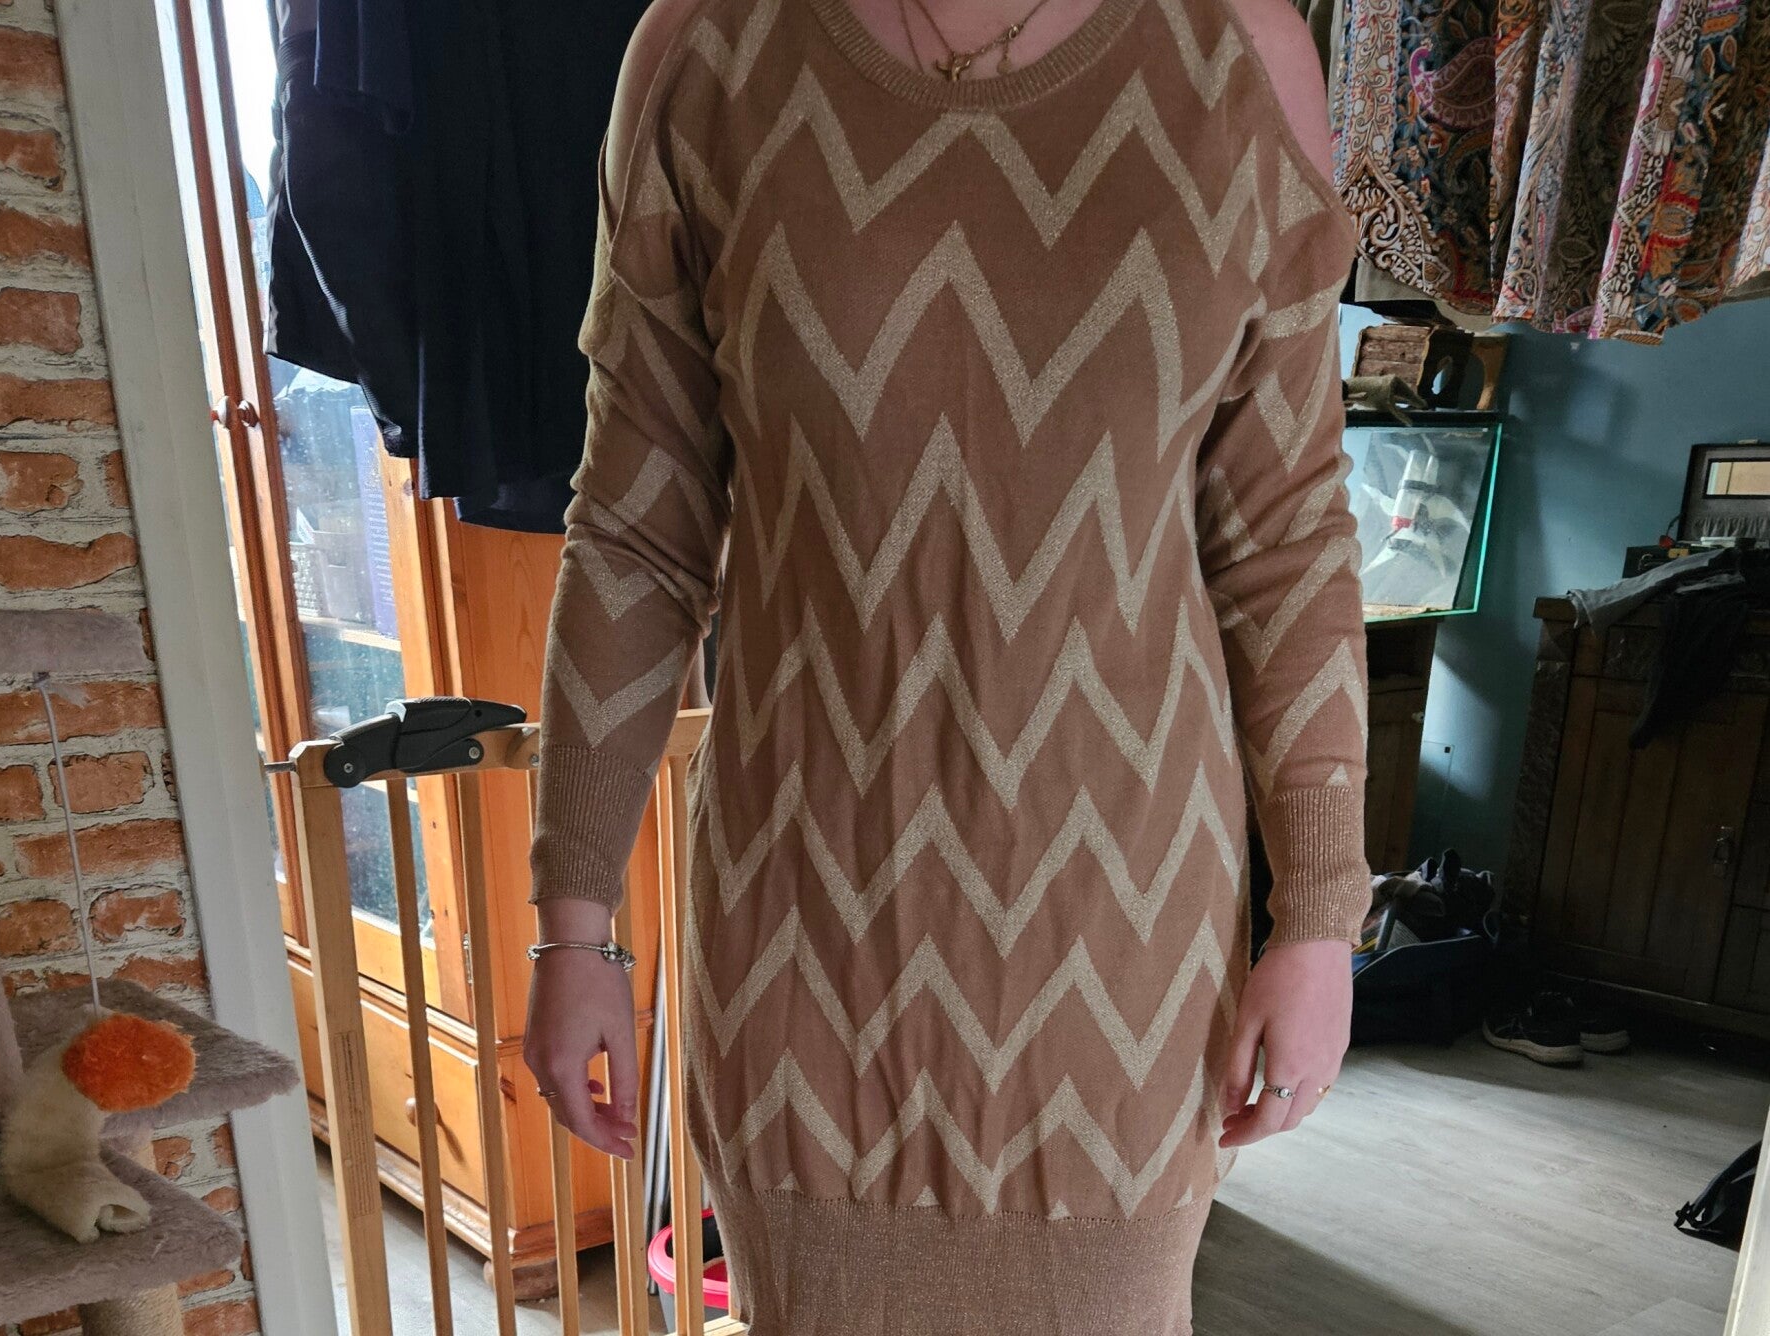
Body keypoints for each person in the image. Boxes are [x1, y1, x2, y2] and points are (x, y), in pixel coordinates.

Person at [522, 0, 1372, 1327]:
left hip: (1123, 951)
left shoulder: (1239, 57)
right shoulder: (705, 54)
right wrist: (574, 924)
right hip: (803, 949)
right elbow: (637, 536)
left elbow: (1286, 535)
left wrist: (1320, 910)